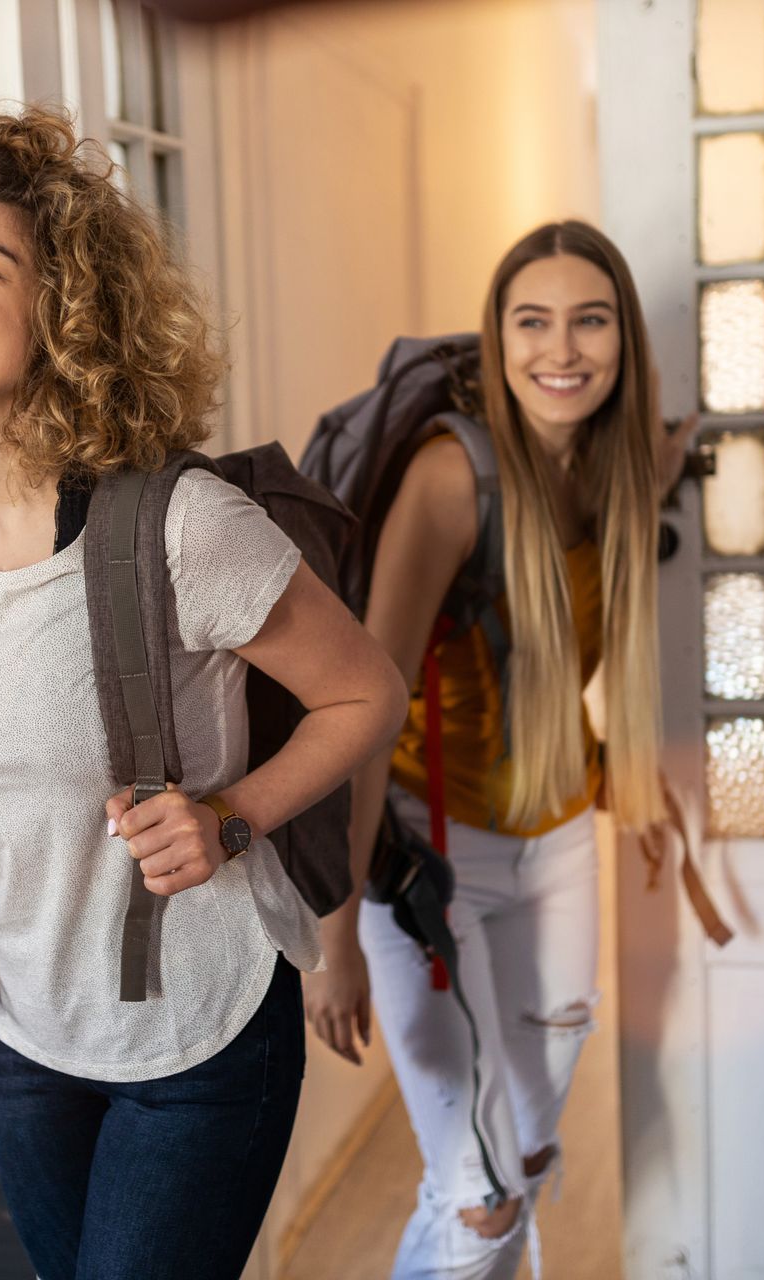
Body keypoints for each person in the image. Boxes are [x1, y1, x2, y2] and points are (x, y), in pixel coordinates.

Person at [0, 107, 409, 1280]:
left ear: (67, 308)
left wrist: (231, 813)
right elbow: (32, 739)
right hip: (26, 1028)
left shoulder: (181, 525)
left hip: (198, 1028)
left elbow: (368, 694)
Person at [301, 220, 691, 1278]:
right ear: (499, 335)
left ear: (624, 342)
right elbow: (361, 711)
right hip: (431, 864)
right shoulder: (449, 477)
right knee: (478, 1203)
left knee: (523, 1152)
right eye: (533, 321)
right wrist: (334, 939)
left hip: (559, 850)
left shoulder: (614, 471)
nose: (561, 349)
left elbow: (566, 632)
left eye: (590, 321)